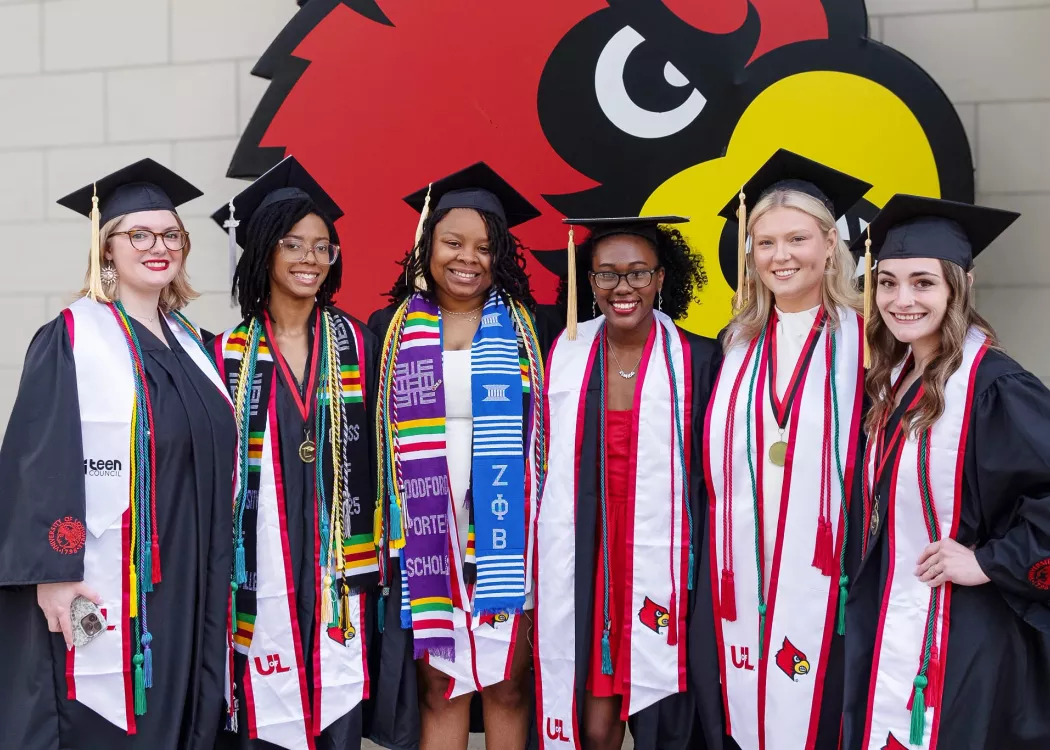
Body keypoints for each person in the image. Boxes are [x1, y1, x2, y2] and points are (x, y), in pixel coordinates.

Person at [0, 159, 237, 750]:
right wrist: (55, 572)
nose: (158, 247)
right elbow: (39, 461)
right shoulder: (72, 338)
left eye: (171, 235)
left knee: (184, 708)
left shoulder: (195, 344)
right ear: (106, 249)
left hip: (192, 573)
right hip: (119, 575)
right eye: (139, 234)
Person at [842, 195, 1050, 750]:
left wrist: (988, 560)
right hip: (892, 617)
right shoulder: (891, 382)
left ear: (961, 285)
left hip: (967, 635)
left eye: (922, 282)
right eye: (887, 282)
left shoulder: (994, 387)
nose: (900, 299)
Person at [367, 163, 558, 750]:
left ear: (501, 254)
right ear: (428, 246)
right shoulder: (389, 327)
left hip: (508, 533)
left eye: (484, 247)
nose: (466, 258)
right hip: (425, 533)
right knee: (441, 688)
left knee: (508, 687)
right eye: (452, 242)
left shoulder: (536, 328)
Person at [695, 150, 873, 750]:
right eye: (764, 243)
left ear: (830, 244)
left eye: (796, 239)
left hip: (834, 567)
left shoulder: (867, 338)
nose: (781, 257)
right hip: (747, 562)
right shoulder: (738, 345)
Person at [209, 156, 380, 750]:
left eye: (322, 246)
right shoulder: (226, 355)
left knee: (336, 706)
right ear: (262, 251)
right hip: (262, 561)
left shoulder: (359, 343)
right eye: (293, 244)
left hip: (338, 564)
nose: (310, 257)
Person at [535, 215, 720, 750]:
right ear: (587, 282)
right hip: (586, 549)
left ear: (662, 278)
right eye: (607, 275)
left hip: (667, 550)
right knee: (593, 728)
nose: (623, 288)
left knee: (667, 723)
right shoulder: (562, 353)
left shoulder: (700, 359)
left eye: (639, 273)